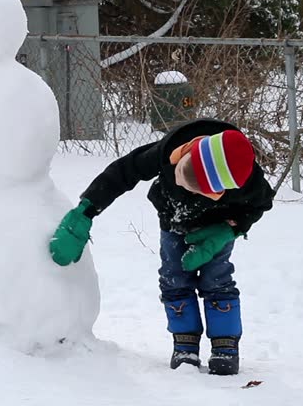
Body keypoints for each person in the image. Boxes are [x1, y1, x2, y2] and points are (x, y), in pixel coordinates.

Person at [49, 118, 275, 375]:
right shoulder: (169, 150)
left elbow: (261, 205)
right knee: (174, 278)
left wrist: (228, 230)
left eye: (195, 186)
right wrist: (87, 209)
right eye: (183, 172)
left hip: (216, 227)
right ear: (190, 151)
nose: (181, 182)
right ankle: (185, 342)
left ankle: (226, 344)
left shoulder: (250, 183)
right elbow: (124, 172)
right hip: (173, 222)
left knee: (217, 279)